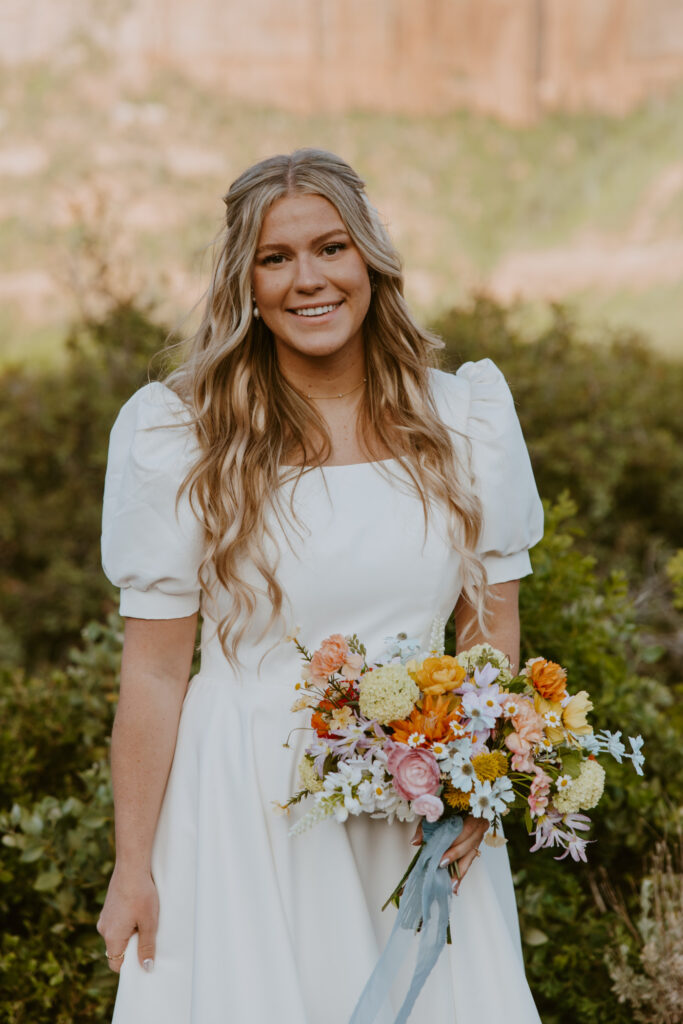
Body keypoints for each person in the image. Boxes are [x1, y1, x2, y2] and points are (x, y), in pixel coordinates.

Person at [96, 148, 544, 1023]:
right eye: (276, 257)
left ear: (370, 260)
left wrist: (469, 787)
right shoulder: (182, 436)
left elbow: (488, 634)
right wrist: (132, 865)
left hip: (414, 812)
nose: (309, 279)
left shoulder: (465, 419)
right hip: (244, 811)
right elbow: (153, 674)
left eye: (331, 248)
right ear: (247, 283)